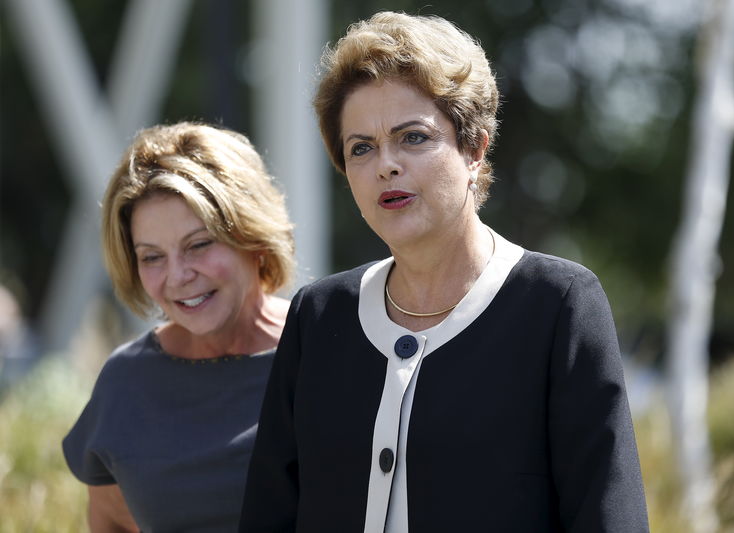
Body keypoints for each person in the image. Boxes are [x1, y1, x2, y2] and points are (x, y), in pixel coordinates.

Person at [240, 11, 649, 533]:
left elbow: (607, 518)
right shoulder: (319, 315)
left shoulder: (559, 304)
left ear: (474, 147)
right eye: (360, 147)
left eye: (412, 138)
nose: (386, 164)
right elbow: (270, 515)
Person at [63, 122, 294, 532]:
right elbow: (111, 521)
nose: (178, 276)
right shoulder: (127, 383)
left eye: (199, 244)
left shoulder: (328, 348)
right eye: (152, 257)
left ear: (253, 236)